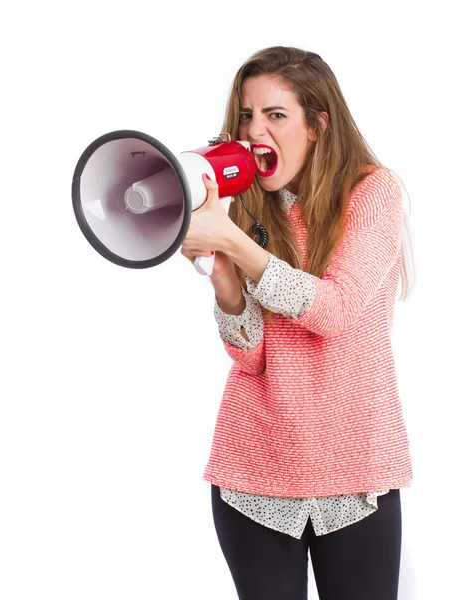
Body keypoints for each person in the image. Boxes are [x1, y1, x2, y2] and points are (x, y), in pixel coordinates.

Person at [181, 46, 414, 600]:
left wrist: (235, 243)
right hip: (253, 470)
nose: (255, 130)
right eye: (246, 115)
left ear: (317, 124)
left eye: (275, 115)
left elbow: (332, 311)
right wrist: (224, 283)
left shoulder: (373, 192)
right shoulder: (246, 206)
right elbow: (252, 357)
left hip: (355, 473)